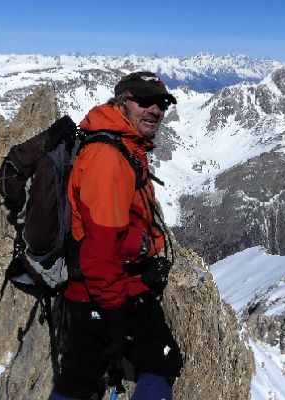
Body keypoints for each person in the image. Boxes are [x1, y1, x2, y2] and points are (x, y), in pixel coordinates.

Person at [49, 72, 183, 400]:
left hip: (87, 292)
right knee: (163, 361)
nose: (155, 110)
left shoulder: (121, 144)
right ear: (122, 102)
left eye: (162, 103)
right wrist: (116, 313)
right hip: (110, 291)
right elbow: (100, 249)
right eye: (144, 101)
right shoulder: (109, 157)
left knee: (78, 381)